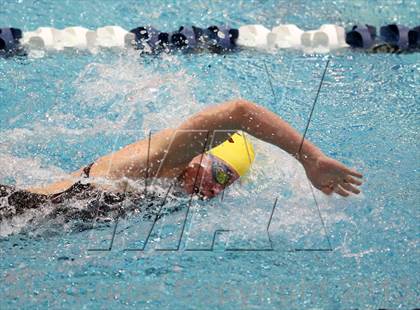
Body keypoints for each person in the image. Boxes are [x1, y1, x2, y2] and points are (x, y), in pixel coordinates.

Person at [1, 99, 362, 220]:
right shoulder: (162, 159)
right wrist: (310, 158)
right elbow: (239, 111)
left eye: (222, 183)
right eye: (215, 173)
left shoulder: (177, 192)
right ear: (200, 157)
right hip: (28, 205)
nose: (209, 188)